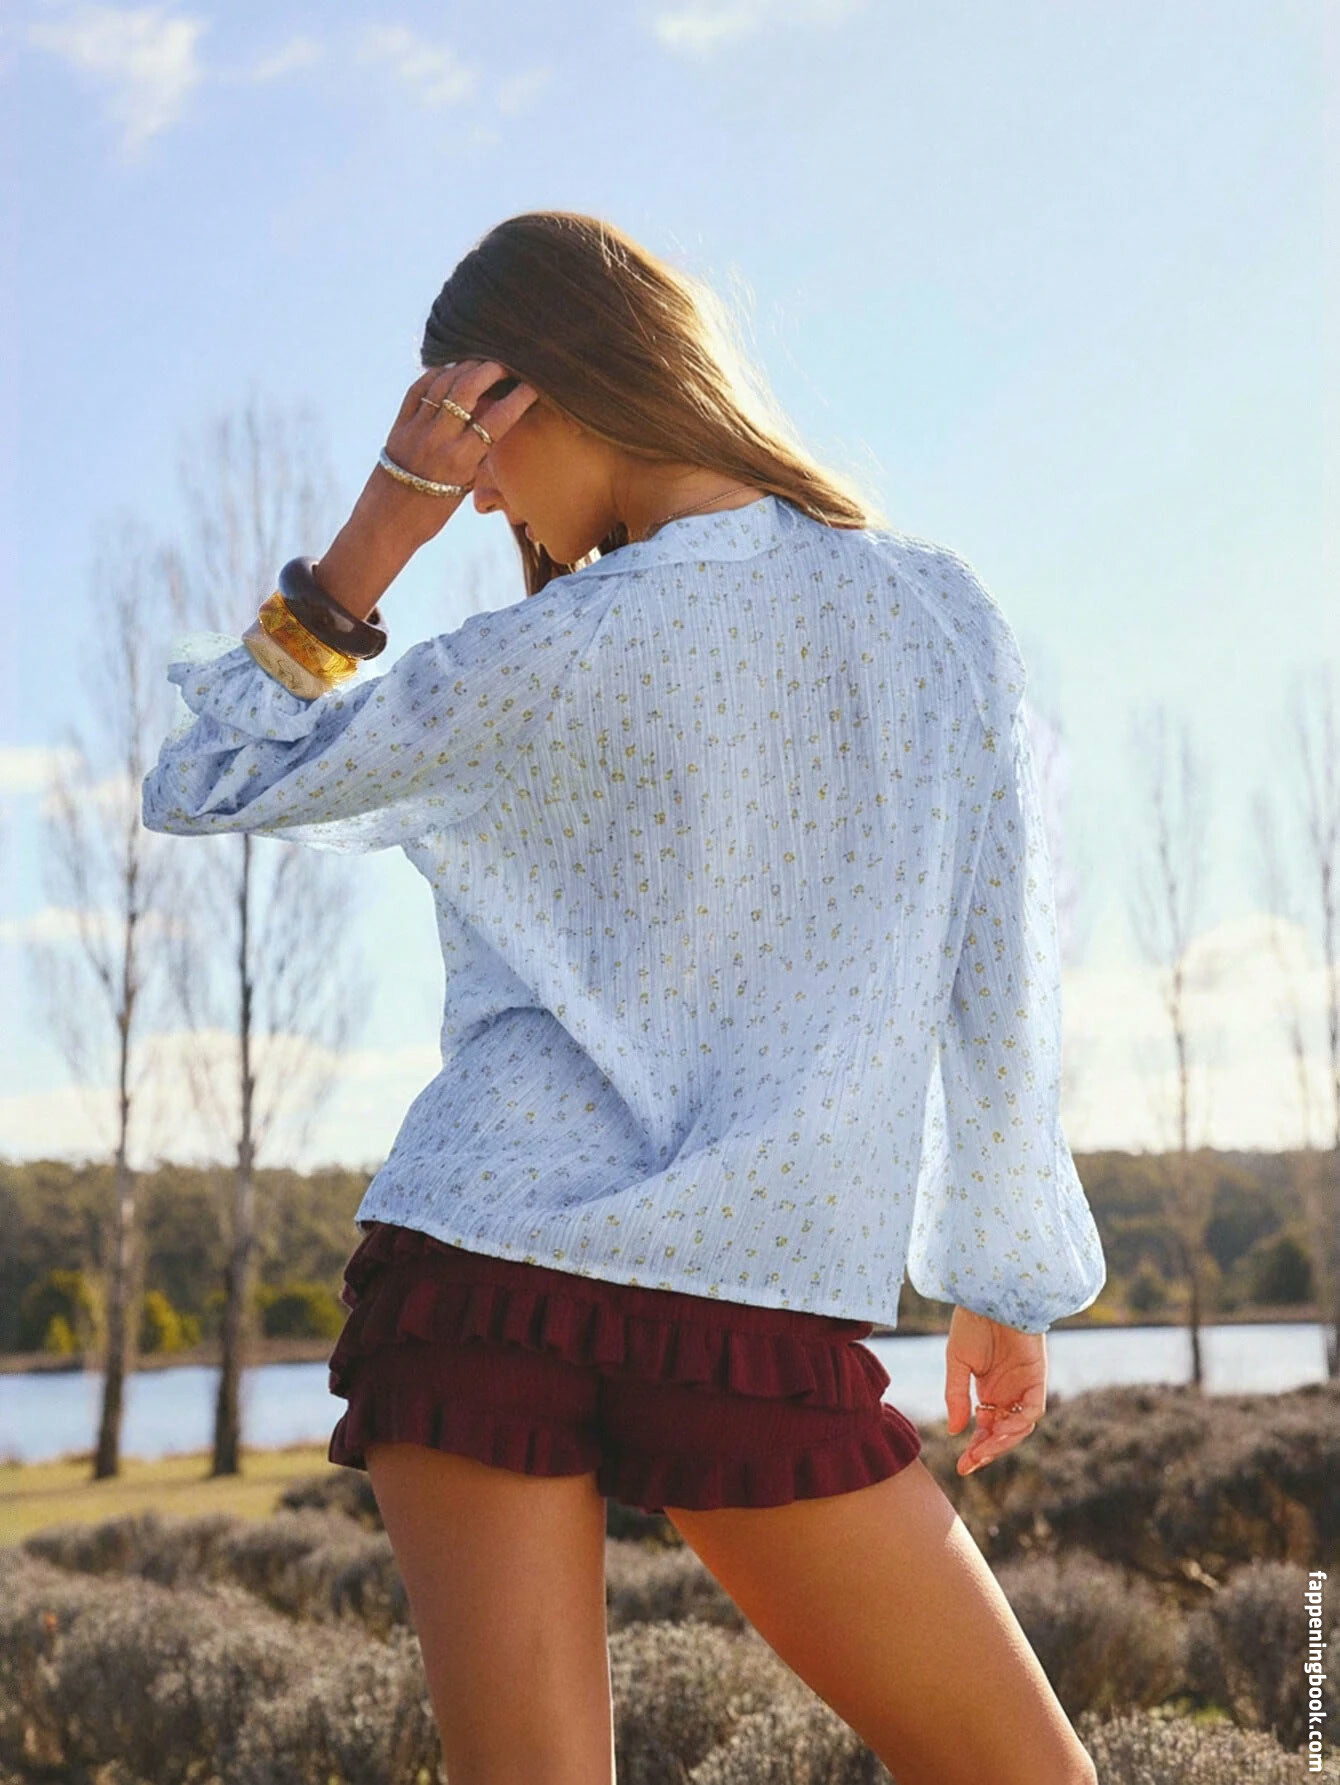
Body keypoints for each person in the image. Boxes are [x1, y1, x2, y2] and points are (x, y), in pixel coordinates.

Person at [142, 210, 1105, 1785]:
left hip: (526, 1286)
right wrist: (1002, 1276)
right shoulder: (924, 613)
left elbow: (211, 769)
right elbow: (1000, 962)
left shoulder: (570, 646)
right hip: (589, 1286)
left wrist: (378, 529)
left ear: (539, 387)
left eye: (472, 441)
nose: (477, 495)